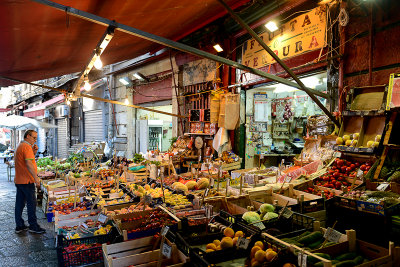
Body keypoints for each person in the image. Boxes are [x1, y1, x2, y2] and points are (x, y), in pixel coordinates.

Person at [14, 129, 45, 234]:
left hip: (19, 180)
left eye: (36, 138)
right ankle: (33, 226)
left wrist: (34, 152)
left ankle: (20, 225)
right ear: (27, 136)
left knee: (19, 204)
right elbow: (29, 164)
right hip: (27, 181)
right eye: (34, 138)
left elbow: (26, 160)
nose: (35, 140)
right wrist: (36, 178)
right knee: (31, 203)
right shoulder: (26, 147)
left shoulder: (21, 146)